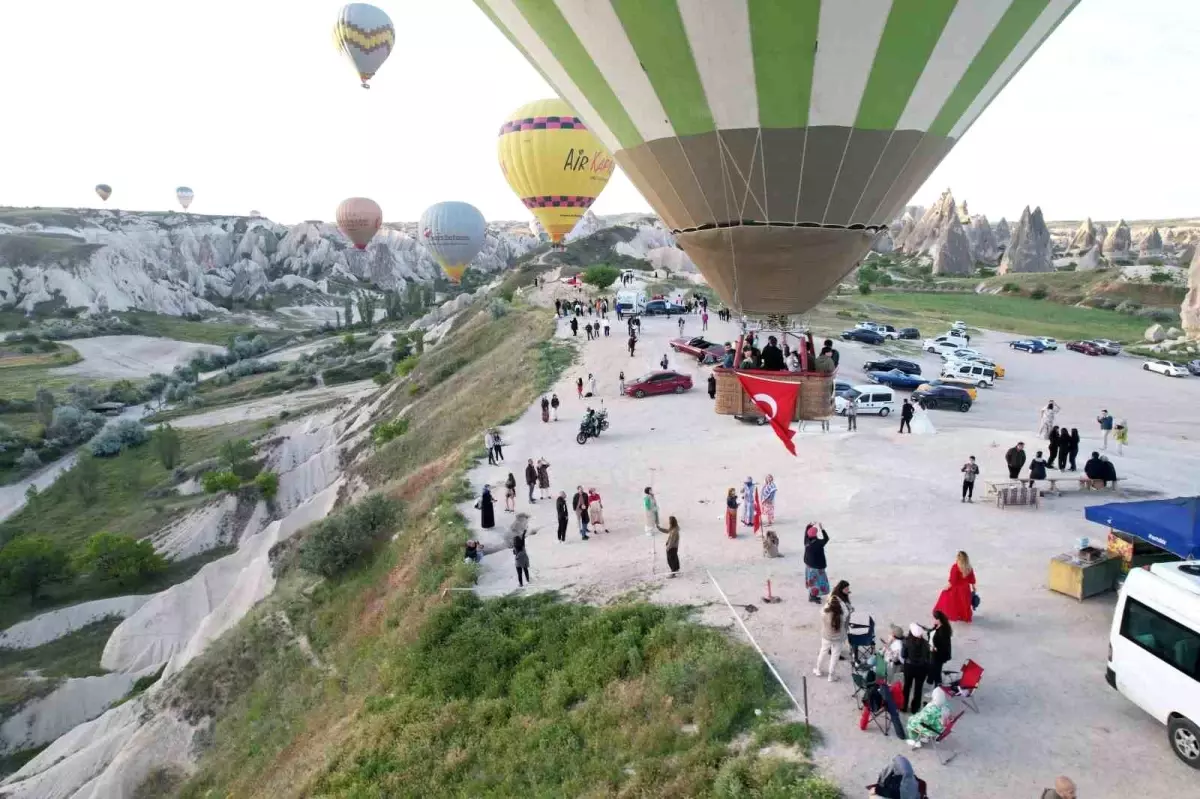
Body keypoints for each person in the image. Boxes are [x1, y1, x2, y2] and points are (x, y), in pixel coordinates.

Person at [814, 580, 852, 682]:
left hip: (827, 635)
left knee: (823, 651)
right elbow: (846, 614)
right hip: (839, 637)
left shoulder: (825, 613)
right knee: (835, 656)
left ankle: (818, 669)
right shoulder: (842, 614)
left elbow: (822, 611)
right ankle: (831, 675)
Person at [934, 551, 977, 623]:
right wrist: (973, 587)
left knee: (944, 595)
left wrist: (946, 588)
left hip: (956, 590)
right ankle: (963, 616)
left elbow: (953, 582)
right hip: (965, 590)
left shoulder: (955, 567)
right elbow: (972, 579)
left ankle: (942, 613)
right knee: (963, 603)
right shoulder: (969, 568)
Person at [900, 622, 931, 713]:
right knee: (918, 689)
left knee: (906, 687)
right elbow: (928, 657)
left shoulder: (906, 642)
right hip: (922, 669)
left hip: (909, 668)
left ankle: (904, 706)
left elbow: (903, 655)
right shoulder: (925, 643)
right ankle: (915, 708)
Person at [803, 523, 830, 603]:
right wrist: (822, 529)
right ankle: (813, 596)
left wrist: (808, 526)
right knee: (818, 582)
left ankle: (812, 595)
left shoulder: (806, 541)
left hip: (809, 566)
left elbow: (806, 533)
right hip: (817, 567)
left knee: (812, 582)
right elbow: (826, 538)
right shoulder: (819, 543)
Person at [928, 610, 952, 685]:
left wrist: (935, 648)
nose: (934, 620)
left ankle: (937, 689)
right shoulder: (937, 626)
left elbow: (944, 646)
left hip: (938, 655)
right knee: (933, 670)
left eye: (935, 619)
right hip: (933, 652)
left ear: (939, 619)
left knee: (937, 672)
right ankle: (935, 687)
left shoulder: (943, 631)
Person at [512, 522, 531, 587]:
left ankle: (521, 584)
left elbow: (514, 553)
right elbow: (523, 538)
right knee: (525, 570)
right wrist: (524, 531)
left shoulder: (515, 547)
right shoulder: (522, 545)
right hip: (524, 559)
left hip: (518, 560)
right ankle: (528, 580)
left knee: (519, 573)